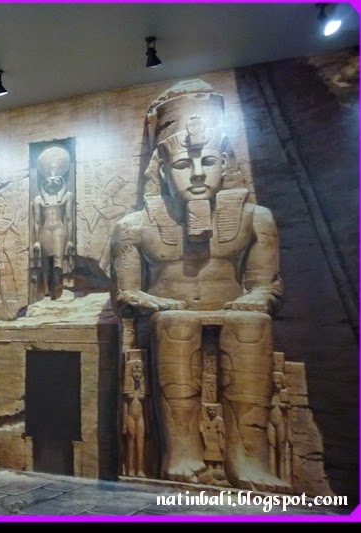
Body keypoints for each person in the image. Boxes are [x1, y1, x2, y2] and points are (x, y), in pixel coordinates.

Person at [110, 79, 287, 492]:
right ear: (162, 170)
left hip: (234, 312)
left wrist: (255, 298)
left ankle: (249, 458)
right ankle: (182, 452)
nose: (196, 174)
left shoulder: (255, 218)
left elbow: (267, 287)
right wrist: (156, 302)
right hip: (168, 318)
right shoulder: (134, 226)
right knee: (177, 323)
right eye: (182, 165)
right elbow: (126, 294)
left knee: (252, 325)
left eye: (207, 161)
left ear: (225, 164)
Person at [31, 146, 75, 301]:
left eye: (56, 180)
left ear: (61, 182)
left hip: (59, 230)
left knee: (57, 260)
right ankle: (47, 291)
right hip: (45, 230)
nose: (52, 182)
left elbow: (69, 219)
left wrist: (70, 240)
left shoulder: (67, 196)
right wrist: (36, 241)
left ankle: (58, 290)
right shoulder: (38, 199)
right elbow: (37, 221)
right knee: (46, 262)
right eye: (49, 181)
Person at [122, 359, 146, 477]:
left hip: (141, 417)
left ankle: (140, 469)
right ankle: (130, 469)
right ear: (130, 373)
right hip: (130, 417)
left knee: (141, 444)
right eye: (134, 372)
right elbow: (125, 406)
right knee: (130, 444)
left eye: (139, 372)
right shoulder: (128, 392)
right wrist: (123, 424)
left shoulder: (142, 391)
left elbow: (147, 409)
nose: (137, 374)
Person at [200, 404, 225, 470]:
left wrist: (220, 443)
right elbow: (203, 431)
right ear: (207, 411)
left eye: (214, 410)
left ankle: (218, 473)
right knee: (209, 460)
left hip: (217, 442)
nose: (212, 412)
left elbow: (220, 432)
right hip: (209, 442)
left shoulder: (219, 420)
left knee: (218, 460)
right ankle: (210, 473)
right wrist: (205, 441)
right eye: (210, 410)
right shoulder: (205, 420)